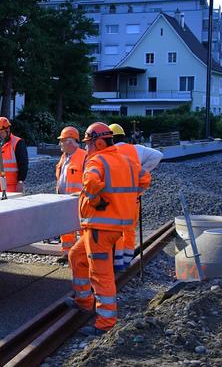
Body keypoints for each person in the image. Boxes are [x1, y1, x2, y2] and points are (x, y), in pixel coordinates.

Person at [66, 122, 150, 336]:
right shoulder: (128, 160)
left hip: (100, 228)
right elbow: (145, 179)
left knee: (100, 275)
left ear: (100, 142)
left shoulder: (97, 160)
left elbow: (91, 183)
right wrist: (125, 200)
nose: (86, 148)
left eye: (88, 144)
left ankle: (105, 322)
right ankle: (85, 301)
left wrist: (97, 201)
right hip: (106, 227)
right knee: (76, 256)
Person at [109, 123, 161, 272]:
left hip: (115, 199)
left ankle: (117, 263)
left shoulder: (107, 151)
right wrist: (142, 171)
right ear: (123, 136)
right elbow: (158, 155)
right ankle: (127, 261)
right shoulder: (136, 149)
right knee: (130, 229)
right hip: (133, 198)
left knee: (117, 229)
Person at [54, 126, 87, 263]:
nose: (60, 144)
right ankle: (67, 254)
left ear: (70, 142)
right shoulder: (64, 157)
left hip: (80, 200)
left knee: (83, 229)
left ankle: (85, 255)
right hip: (64, 199)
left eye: (62, 141)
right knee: (66, 227)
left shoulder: (84, 157)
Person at [0, 116, 28, 193]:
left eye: (1, 133)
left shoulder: (17, 143)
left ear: (8, 130)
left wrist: (21, 181)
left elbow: (23, 164)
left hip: (11, 184)